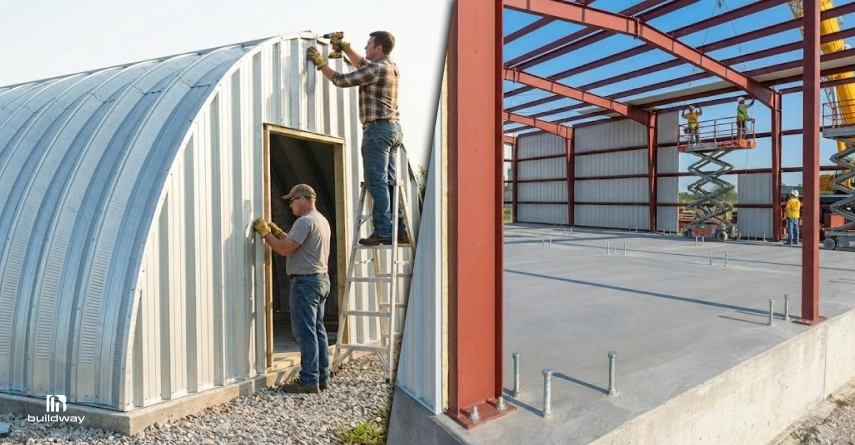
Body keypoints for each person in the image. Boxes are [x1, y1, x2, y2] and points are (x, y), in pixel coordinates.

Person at [306, 31, 409, 246]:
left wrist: (320, 64)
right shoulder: (390, 66)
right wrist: (345, 47)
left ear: (378, 47)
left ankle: (382, 230)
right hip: (392, 129)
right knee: (389, 182)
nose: (365, 47)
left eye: (369, 44)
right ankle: (399, 230)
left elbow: (341, 80)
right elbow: (362, 63)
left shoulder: (377, 68)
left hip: (377, 130)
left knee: (376, 181)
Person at [253, 184, 331, 393]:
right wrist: (279, 232)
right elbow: (295, 243)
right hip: (321, 280)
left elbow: (283, 249)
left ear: (303, 199)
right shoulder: (320, 220)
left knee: (305, 333)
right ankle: (322, 376)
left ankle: (308, 380)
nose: (290, 205)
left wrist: (265, 234)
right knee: (317, 330)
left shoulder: (304, 222)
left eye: (292, 200)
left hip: (305, 283)